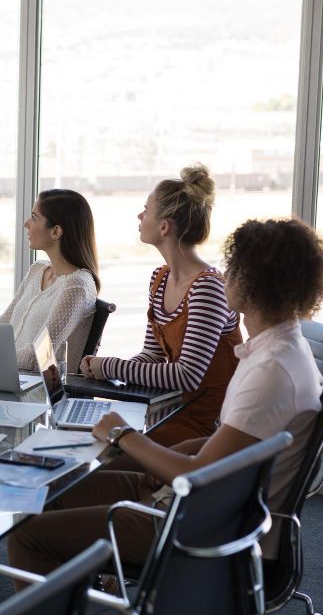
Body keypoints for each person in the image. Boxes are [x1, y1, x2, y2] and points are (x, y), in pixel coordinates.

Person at [8, 218, 323, 587]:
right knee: (57, 484)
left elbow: (193, 474)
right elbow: (227, 445)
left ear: (253, 282)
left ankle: (75, 605)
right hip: (199, 502)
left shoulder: (270, 373)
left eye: (233, 268)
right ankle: (87, 602)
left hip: (192, 522)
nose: (225, 276)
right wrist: (134, 451)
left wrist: (123, 436)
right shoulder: (280, 350)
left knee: (26, 536)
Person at [80, 164, 241, 446]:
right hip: (167, 414)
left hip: (204, 430)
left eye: (146, 210)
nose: (139, 216)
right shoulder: (160, 278)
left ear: (164, 226)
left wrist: (111, 367)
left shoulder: (207, 287)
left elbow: (187, 376)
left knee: (97, 455)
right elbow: (152, 355)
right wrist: (104, 370)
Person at [0, 189, 101, 372]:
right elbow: (4, 324)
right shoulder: (38, 270)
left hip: (37, 385)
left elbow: (40, 357)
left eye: (34, 218)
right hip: (10, 375)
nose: (26, 224)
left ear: (55, 231)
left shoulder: (77, 286)